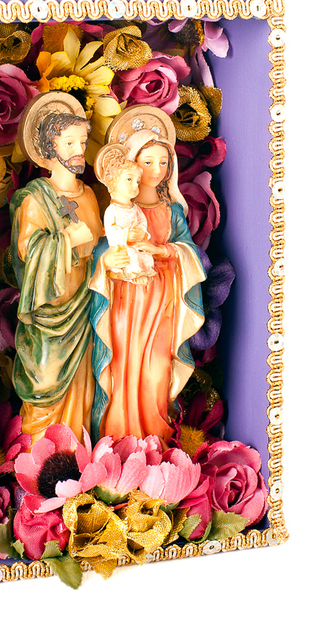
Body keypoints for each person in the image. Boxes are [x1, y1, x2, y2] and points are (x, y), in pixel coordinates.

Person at [9, 94, 126, 442]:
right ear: (50, 147)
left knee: (83, 384)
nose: (79, 150)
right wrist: (66, 240)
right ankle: (38, 452)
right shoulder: (35, 199)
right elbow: (28, 249)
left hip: (84, 307)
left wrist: (109, 254)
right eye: (70, 143)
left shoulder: (89, 195)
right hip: (51, 315)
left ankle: (76, 451)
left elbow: (99, 245)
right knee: (46, 380)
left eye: (83, 142)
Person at [88, 108, 206, 445]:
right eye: (148, 162)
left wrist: (162, 250)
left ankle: (155, 445)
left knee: (157, 373)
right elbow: (101, 252)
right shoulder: (117, 210)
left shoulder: (173, 211)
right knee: (124, 370)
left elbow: (189, 251)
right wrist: (107, 260)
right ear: (132, 164)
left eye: (164, 162)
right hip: (126, 302)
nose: (157, 170)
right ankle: (120, 443)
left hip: (162, 300)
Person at [98, 155, 156, 286]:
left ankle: (145, 272)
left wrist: (141, 231)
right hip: (121, 247)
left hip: (135, 244)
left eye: (137, 181)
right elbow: (110, 231)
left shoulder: (135, 208)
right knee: (131, 256)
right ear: (114, 181)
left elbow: (142, 221)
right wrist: (126, 235)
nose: (135, 185)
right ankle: (134, 276)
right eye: (129, 179)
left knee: (146, 255)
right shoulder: (112, 210)